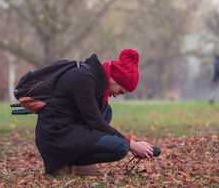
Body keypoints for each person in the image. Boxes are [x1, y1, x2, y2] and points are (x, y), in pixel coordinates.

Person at [35, 48, 154, 177]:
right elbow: (96, 123)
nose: (116, 95)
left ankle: (80, 166)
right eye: (120, 91)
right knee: (121, 147)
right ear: (115, 78)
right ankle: (61, 164)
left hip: (69, 130)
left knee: (107, 111)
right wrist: (133, 145)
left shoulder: (97, 86)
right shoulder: (84, 78)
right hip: (56, 135)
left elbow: (96, 121)